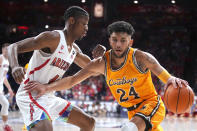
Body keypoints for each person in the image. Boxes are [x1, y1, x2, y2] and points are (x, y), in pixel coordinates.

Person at [25, 21, 189, 131]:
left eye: (123, 40)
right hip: (133, 113)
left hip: (151, 104)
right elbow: (72, 80)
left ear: (130, 42)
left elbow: (161, 72)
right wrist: (46, 87)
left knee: (129, 129)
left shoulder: (141, 58)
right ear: (110, 41)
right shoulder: (102, 63)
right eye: (115, 40)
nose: (118, 44)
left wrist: (171, 80)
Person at [7, 6, 106, 131]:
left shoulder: (74, 50)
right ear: (71, 21)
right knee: (46, 129)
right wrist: (15, 66)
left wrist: (102, 56)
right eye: (84, 24)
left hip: (49, 96)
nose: (86, 28)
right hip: (31, 95)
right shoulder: (53, 38)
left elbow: (94, 70)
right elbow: (12, 47)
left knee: (89, 123)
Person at [0, 43, 14, 131]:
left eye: (8, 49)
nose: (6, 51)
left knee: (5, 104)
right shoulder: (0, 58)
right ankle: (5, 125)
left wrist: (9, 88)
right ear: (2, 50)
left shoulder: (7, 61)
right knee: (5, 103)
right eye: (5, 49)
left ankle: (5, 125)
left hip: (0, 86)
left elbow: (4, 77)